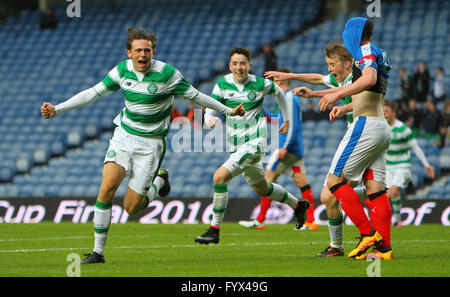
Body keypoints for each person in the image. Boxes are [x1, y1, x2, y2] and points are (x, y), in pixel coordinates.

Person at [40, 28, 245, 264]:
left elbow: (197, 96)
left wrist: (228, 111)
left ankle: (160, 180)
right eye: (138, 50)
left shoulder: (168, 74)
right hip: (124, 136)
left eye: (147, 50)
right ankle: (98, 252)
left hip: (151, 145)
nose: (143, 54)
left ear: (153, 52)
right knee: (106, 187)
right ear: (129, 52)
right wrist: (58, 108)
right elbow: (92, 93)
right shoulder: (121, 71)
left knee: (131, 207)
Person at [294, 17, 393, 259]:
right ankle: (384, 249)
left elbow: (368, 80)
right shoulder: (376, 53)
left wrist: (335, 96)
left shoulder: (367, 50)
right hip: (380, 125)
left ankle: (368, 233)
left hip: (365, 124)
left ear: (355, 32)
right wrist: (327, 96)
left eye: (347, 30)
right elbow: (367, 87)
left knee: (333, 182)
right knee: (376, 191)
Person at [194, 46, 310, 245]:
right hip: (236, 146)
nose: (239, 67)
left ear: (250, 65)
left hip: (255, 143)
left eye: (243, 63)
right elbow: (212, 107)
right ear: (230, 66)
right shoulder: (222, 84)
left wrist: (286, 120)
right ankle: (298, 205)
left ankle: (214, 230)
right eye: (236, 64)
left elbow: (281, 94)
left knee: (219, 177)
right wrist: (208, 119)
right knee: (262, 189)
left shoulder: (260, 84)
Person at [266, 41, 354, 256]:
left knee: (330, 194)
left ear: (348, 63)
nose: (329, 69)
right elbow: (318, 78)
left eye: (333, 64)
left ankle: (350, 241)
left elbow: (369, 102)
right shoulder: (340, 79)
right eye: (328, 64)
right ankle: (367, 241)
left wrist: (342, 108)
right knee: (370, 191)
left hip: (360, 135)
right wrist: (291, 76)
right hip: (362, 133)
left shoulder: (359, 79)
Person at [238, 67, 317, 231]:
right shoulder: (287, 99)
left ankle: (260, 220)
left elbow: (293, 126)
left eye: (274, 81)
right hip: (295, 149)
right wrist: (261, 111)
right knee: (302, 181)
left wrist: (284, 147)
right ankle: (311, 220)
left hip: (286, 148)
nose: (273, 85)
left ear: (280, 81)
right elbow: (277, 121)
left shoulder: (289, 98)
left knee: (266, 180)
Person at [383, 102, 435, 229]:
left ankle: (387, 220)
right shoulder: (382, 129)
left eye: (387, 111)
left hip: (402, 165)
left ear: (393, 113)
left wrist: (427, 165)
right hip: (388, 166)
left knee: (392, 191)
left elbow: (416, 148)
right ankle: (397, 221)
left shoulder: (403, 129)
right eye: (382, 111)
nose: (384, 113)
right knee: (393, 194)